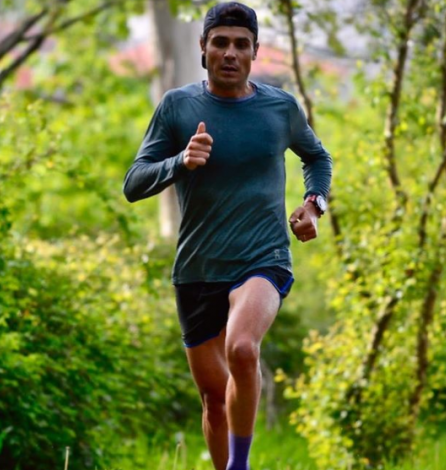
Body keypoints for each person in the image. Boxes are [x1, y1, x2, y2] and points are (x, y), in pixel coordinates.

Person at [123, 3, 332, 470]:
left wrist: (314, 204)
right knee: (214, 401)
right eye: (220, 42)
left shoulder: (280, 107)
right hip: (197, 270)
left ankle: (240, 466)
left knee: (242, 348)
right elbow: (133, 183)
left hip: (264, 257)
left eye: (241, 43)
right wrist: (180, 161)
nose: (231, 52)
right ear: (203, 49)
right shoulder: (178, 107)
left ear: (256, 51)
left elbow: (318, 158)